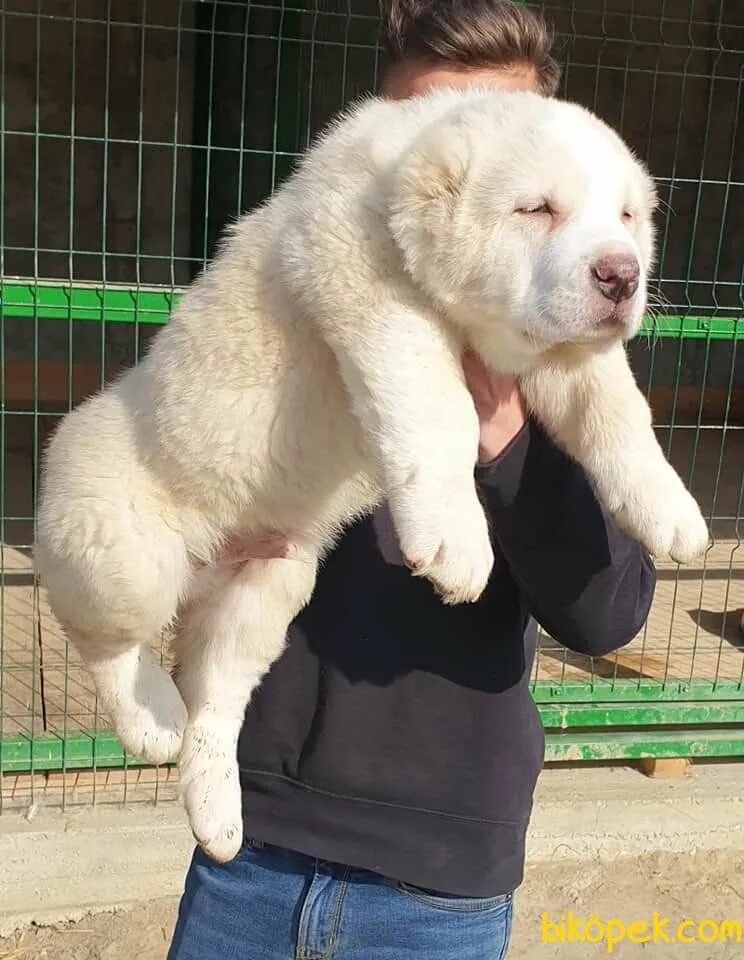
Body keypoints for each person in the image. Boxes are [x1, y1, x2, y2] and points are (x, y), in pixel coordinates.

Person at [167, 2, 655, 957]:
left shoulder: (564, 333)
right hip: (250, 853)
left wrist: (503, 429)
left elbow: (610, 612)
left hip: (437, 883)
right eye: (426, 137)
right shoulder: (294, 286)